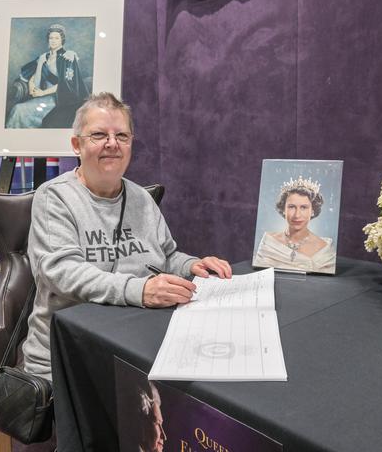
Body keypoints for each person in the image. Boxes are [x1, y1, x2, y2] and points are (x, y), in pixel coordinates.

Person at [22, 92, 232, 380]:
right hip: (69, 357)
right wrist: (140, 290)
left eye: (121, 135)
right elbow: (61, 273)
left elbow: (166, 255)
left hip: (135, 343)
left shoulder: (141, 197)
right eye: (98, 135)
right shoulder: (54, 197)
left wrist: (193, 266)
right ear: (76, 145)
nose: (112, 144)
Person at [5, 23, 89, 129]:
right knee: (18, 108)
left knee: (22, 111)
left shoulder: (68, 57)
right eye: (51, 38)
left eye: (57, 38)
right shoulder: (44, 56)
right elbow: (36, 83)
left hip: (60, 98)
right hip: (44, 96)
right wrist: (40, 64)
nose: (53, 41)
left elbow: (66, 85)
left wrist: (42, 93)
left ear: (62, 40)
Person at [253, 176, 336, 273]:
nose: (297, 215)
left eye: (304, 207)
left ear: (312, 211)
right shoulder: (268, 242)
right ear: (284, 210)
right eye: (292, 207)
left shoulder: (324, 248)